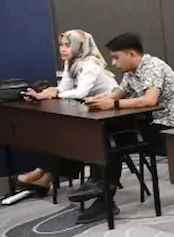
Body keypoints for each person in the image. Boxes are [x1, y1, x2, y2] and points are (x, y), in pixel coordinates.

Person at [76, 33, 174, 224]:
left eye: (116, 57)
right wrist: (102, 100)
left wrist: (113, 105)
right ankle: (101, 189)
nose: (114, 63)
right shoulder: (131, 72)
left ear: (131, 54)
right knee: (103, 133)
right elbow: (119, 93)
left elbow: (150, 100)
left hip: (173, 128)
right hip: (152, 122)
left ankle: (103, 194)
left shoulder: (152, 67)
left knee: (110, 139)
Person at [16, 30, 120, 193]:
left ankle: (44, 173)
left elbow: (80, 93)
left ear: (80, 46)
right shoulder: (71, 63)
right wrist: (43, 95)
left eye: (68, 45)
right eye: (61, 45)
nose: (63, 49)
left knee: (71, 134)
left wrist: (54, 94)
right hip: (91, 111)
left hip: (111, 115)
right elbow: (63, 88)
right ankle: (44, 176)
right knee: (64, 132)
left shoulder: (90, 64)